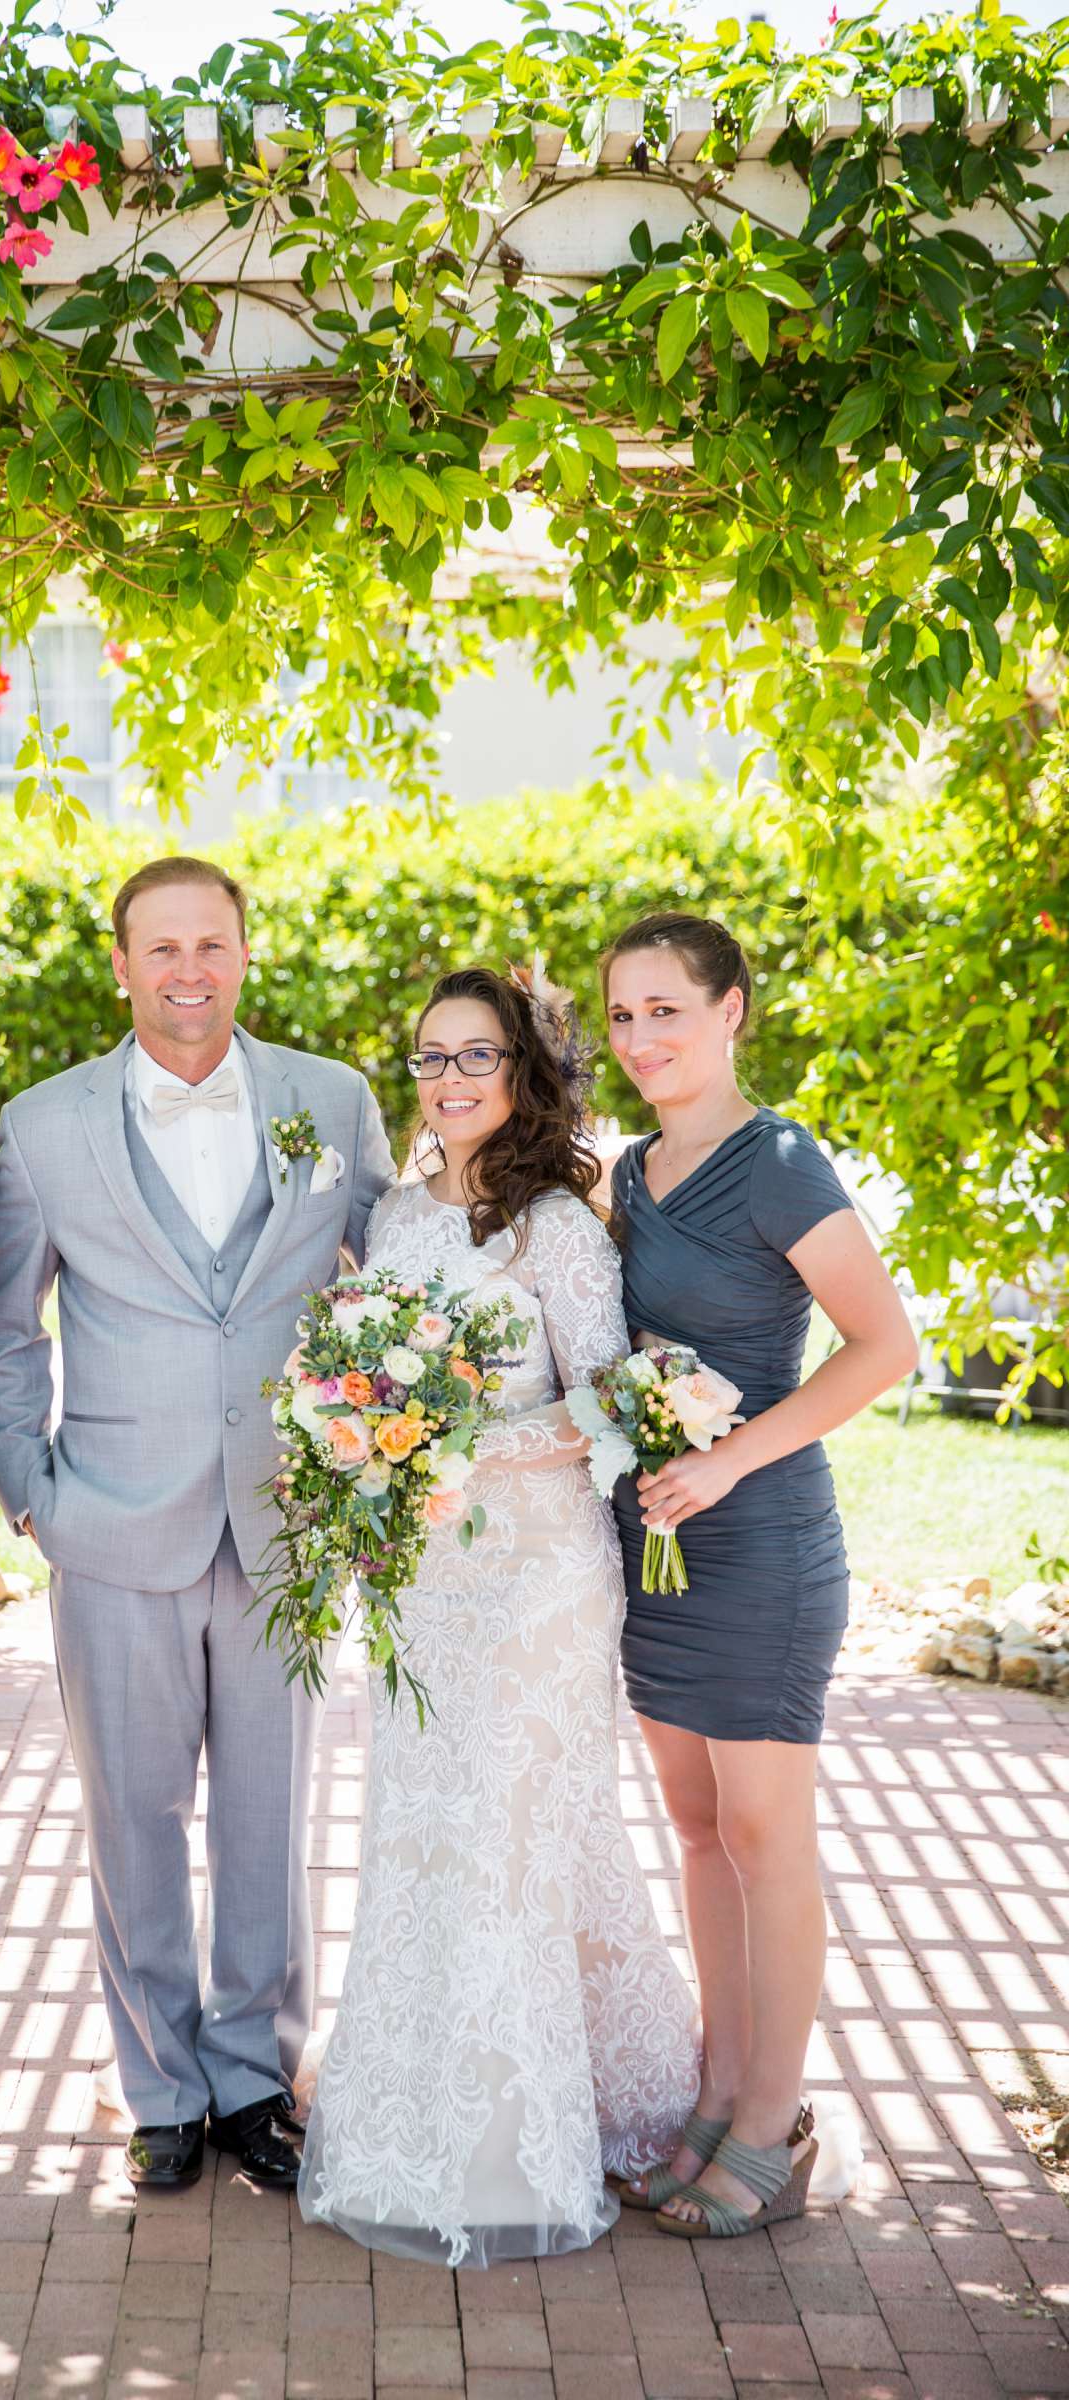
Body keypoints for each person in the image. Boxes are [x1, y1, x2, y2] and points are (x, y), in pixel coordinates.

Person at [0, 856, 393, 2193]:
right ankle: (158, 2084)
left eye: (212, 944)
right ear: (120, 964)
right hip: (110, 1527)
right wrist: (31, 1491)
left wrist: (375, 1456)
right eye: (162, 949)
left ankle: (257, 2079)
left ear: (246, 954)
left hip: (287, 1525)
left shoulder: (331, 1102)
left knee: (271, 1818)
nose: (189, 972)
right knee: (132, 1819)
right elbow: (4, 1334)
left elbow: (399, 1285)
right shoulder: (42, 1125)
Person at [298, 965, 701, 2267]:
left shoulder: (560, 1228)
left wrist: (459, 1444)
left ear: (523, 1073)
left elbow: (605, 1410)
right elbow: (364, 1380)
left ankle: (517, 2142)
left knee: (511, 1838)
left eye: (477, 1056)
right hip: (421, 1586)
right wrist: (373, 1457)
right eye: (430, 1059)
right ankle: (418, 2110)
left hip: (536, 1583)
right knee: (425, 1837)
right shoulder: (400, 1216)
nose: (452, 1078)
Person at [602, 911, 916, 2240]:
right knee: (697, 1831)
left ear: (731, 1010)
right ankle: (717, 2103)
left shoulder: (780, 1159)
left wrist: (729, 1461)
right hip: (654, 1542)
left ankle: (775, 2123)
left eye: (666, 1008)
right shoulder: (626, 1170)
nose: (642, 1038)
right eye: (622, 1016)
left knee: (769, 1835)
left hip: (760, 1540)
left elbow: (883, 1346)